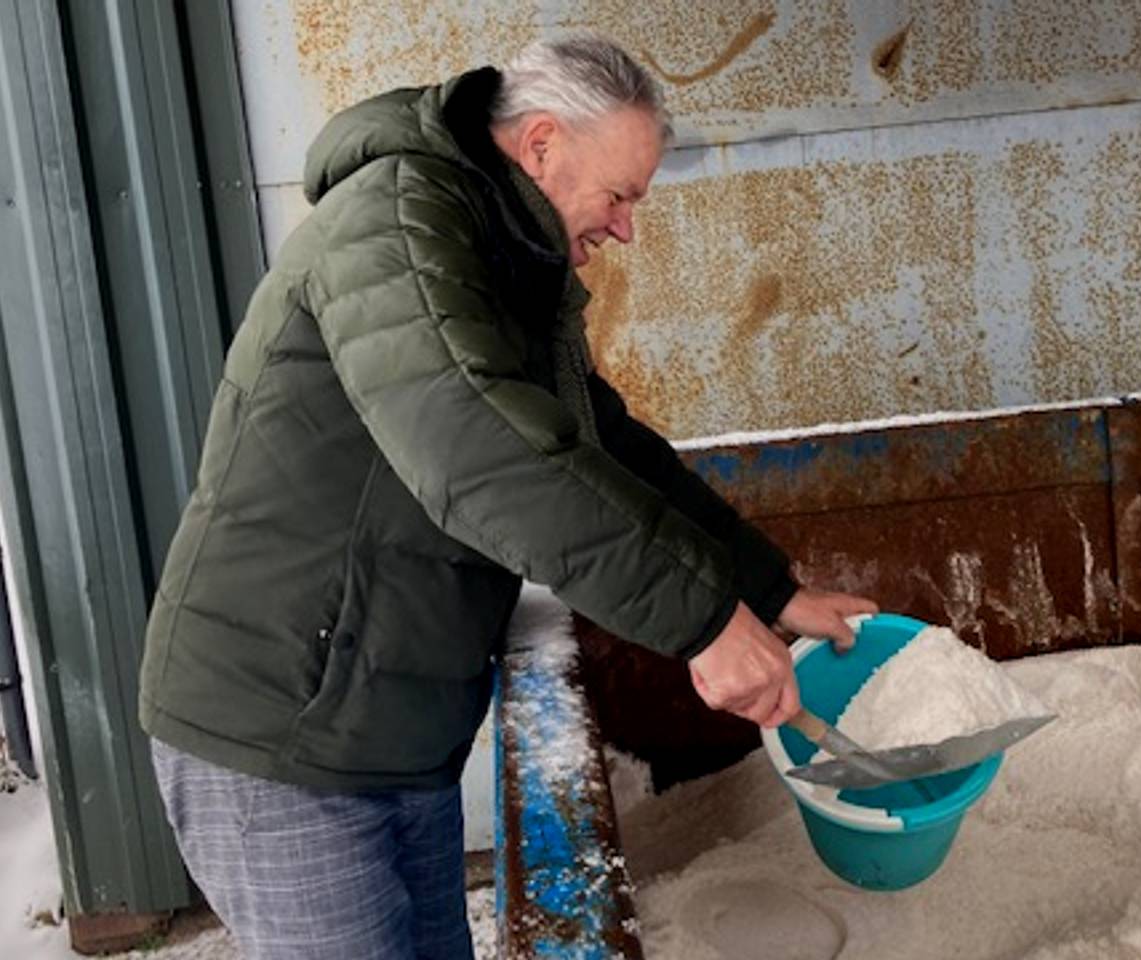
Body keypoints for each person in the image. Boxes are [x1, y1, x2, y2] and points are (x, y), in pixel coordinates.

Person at [139, 34, 876, 960]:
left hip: (391, 729)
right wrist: (702, 624)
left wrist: (767, 590)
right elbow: (482, 450)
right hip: (283, 734)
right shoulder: (396, 224)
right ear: (539, 146)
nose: (625, 228)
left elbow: (602, 450)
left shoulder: (502, 259)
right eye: (620, 195)